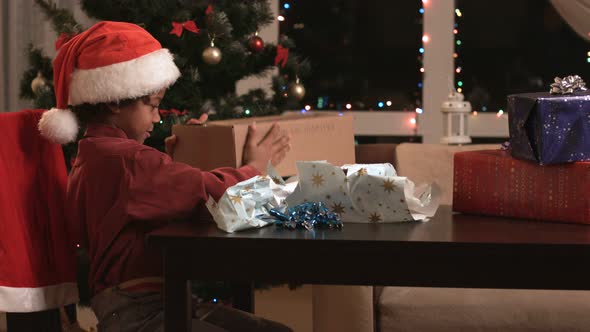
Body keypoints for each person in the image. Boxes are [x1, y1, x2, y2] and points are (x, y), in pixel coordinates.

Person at [38, 21, 292, 332]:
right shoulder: (129, 161)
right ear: (116, 100)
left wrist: (177, 161)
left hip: (140, 305)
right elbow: (211, 194)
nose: (158, 118)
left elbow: (140, 205)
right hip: (144, 315)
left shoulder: (94, 156)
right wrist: (254, 167)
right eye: (153, 106)